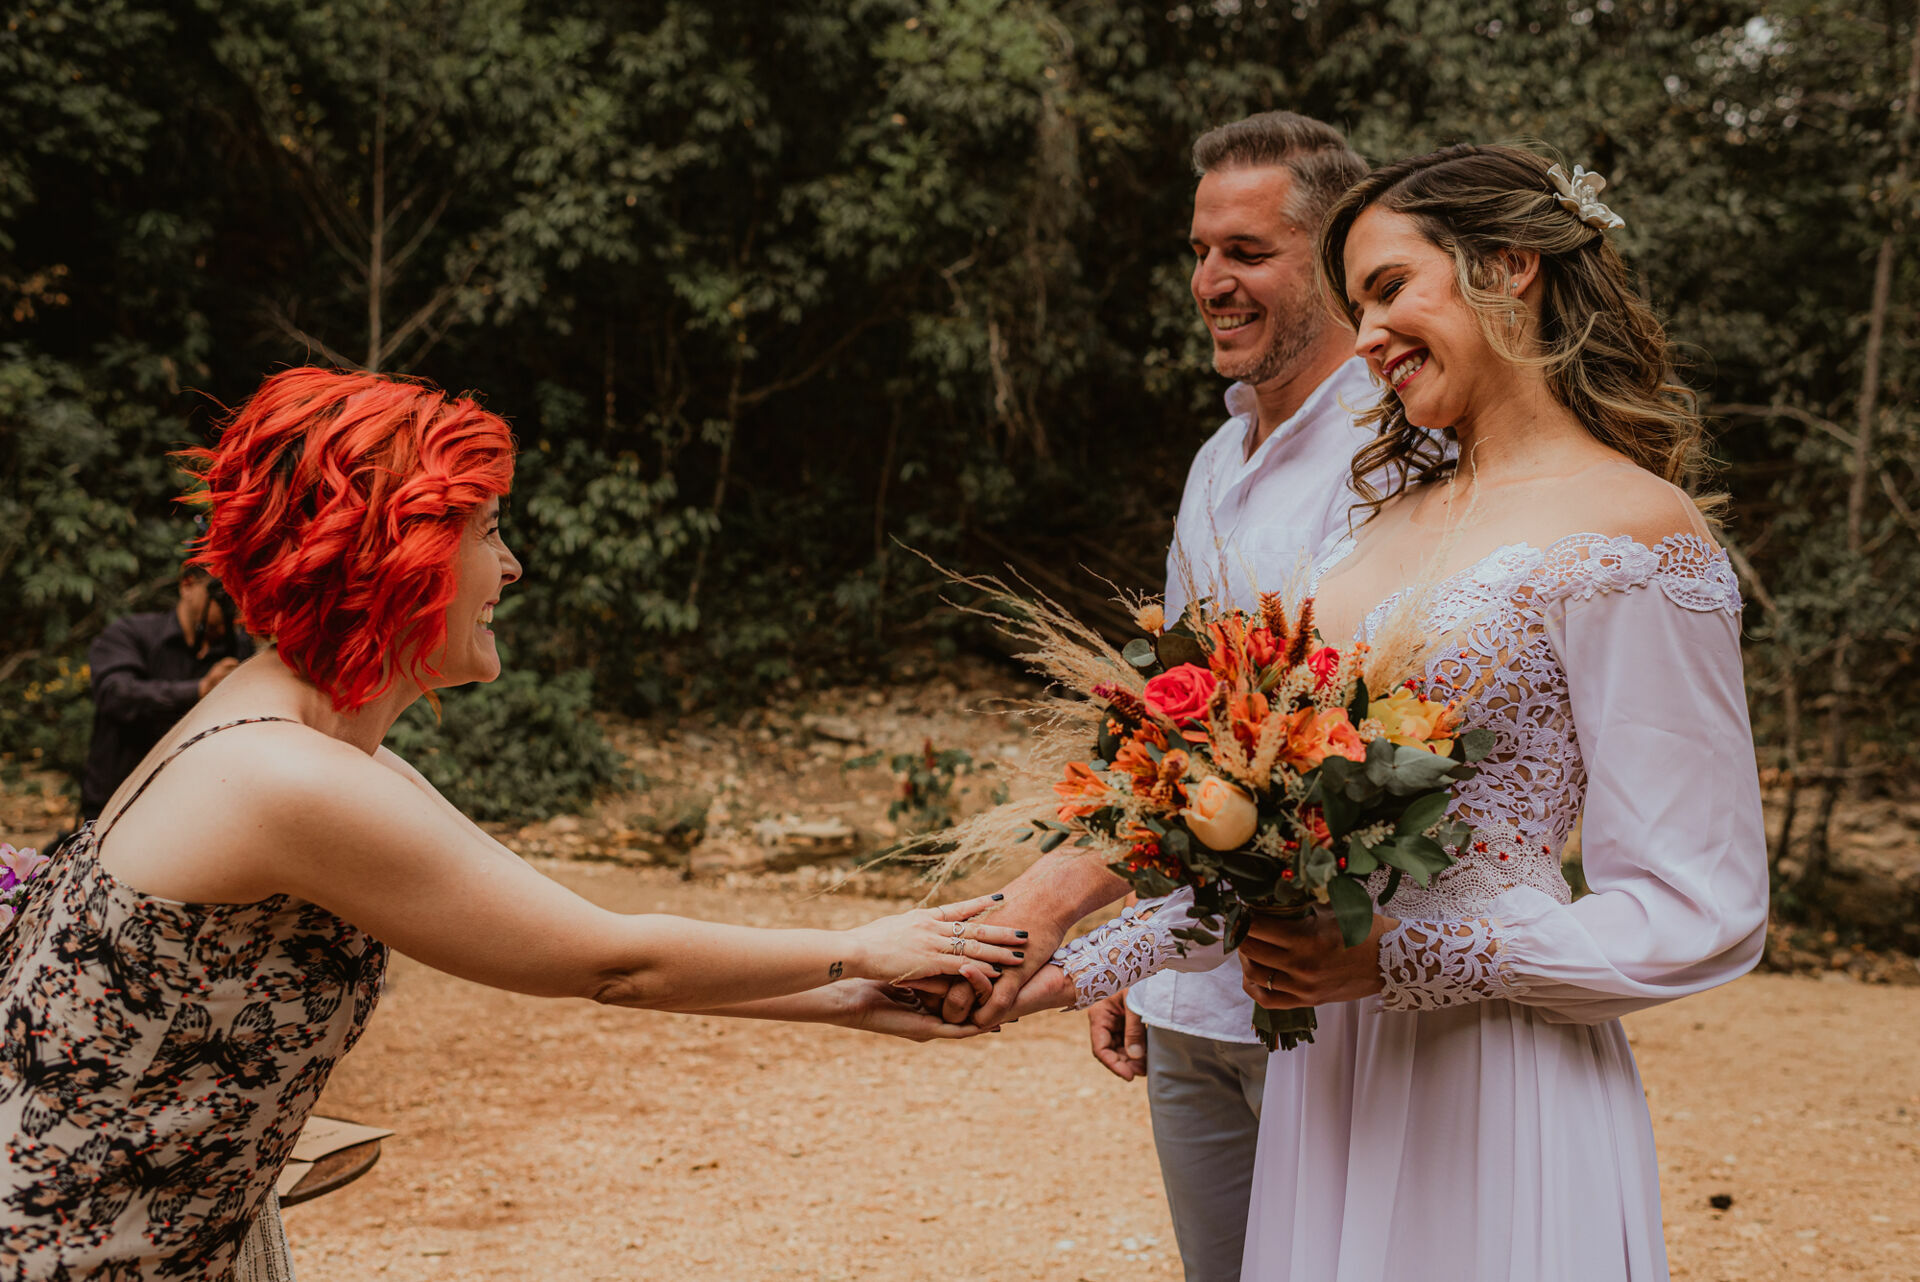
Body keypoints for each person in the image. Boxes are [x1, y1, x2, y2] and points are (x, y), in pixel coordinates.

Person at [0, 369, 1027, 1280]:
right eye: (488, 528)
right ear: (395, 549)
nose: (515, 565)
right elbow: (608, 961)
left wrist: (851, 996)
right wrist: (855, 943)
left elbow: (569, 933)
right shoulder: (282, 777)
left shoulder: (312, 751)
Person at [1035, 145, 1769, 1280]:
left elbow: (1697, 902)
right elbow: (1275, 848)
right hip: (1334, 1074)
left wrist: (1396, 956)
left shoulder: (1635, 529)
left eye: (1386, 290)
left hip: (1496, 1071)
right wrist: (1059, 963)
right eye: (1356, 303)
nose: (1366, 336)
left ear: (1509, 265)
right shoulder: (1375, 529)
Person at [944, 111, 1376, 1282]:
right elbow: (1174, 720)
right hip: (1192, 996)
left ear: (1337, 254)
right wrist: (1138, 954)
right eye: (1199, 250)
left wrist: (1059, 908)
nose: (1209, 283)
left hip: (1326, 998)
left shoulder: (1395, 452)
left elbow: (1321, 741)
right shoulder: (1215, 459)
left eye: (1246, 251)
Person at [79, 563, 253, 822]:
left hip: (194, 805)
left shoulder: (238, 648)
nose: (234, 611)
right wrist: (199, 690)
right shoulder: (131, 634)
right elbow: (114, 694)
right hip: (117, 801)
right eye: (224, 597)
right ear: (188, 585)